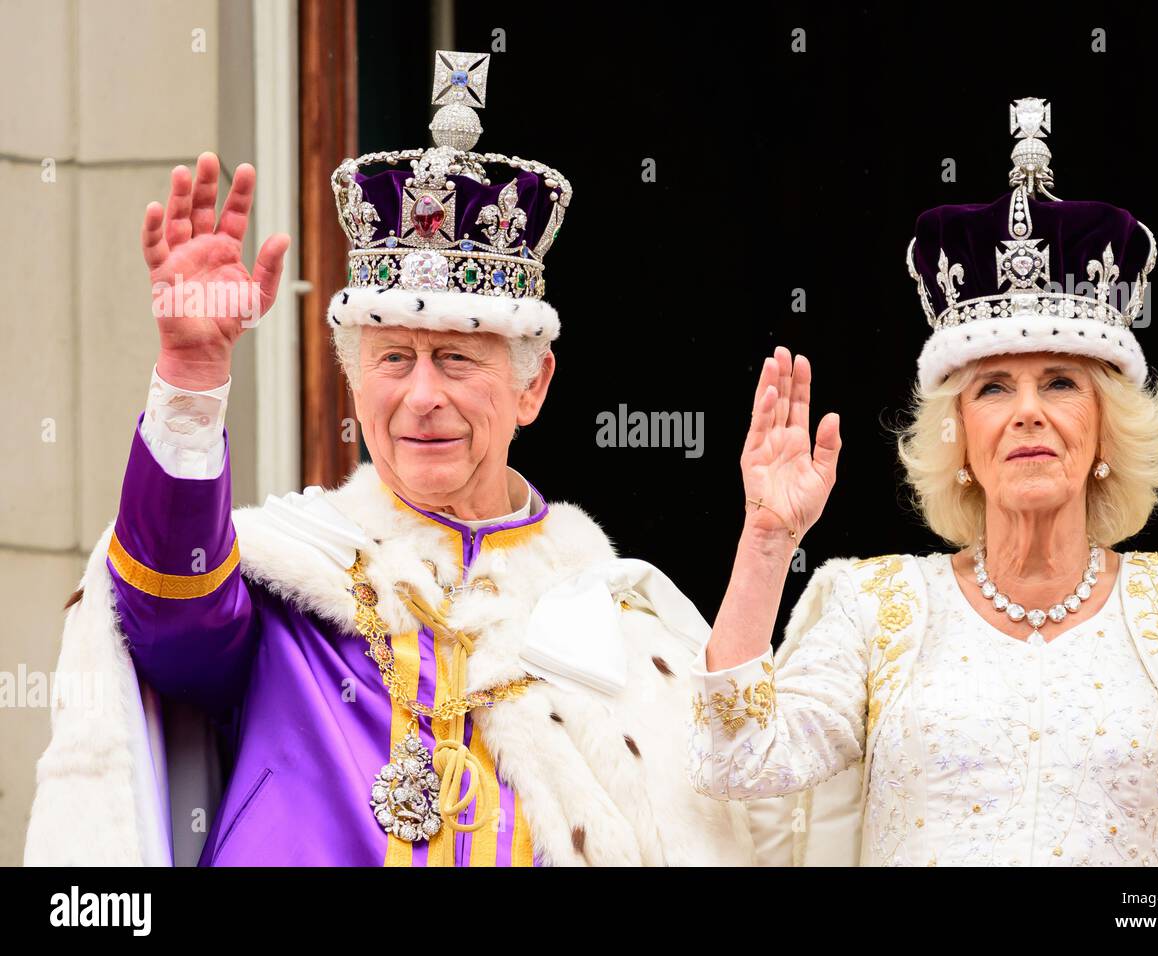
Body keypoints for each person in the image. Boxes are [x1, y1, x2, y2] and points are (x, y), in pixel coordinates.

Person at [26, 50, 750, 867]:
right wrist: (192, 380)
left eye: (457, 359)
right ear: (355, 381)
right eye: (394, 359)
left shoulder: (615, 622)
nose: (421, 396)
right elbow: (168, 619)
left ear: (532, 386)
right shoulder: (293, 576)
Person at [686, 98, 1158, 866]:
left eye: (1062, 382)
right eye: (994, 388)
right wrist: (768, 540)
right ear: (959, 432)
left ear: (1106, 424)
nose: (1028, 413)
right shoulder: (873, 606)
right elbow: (734, 765)